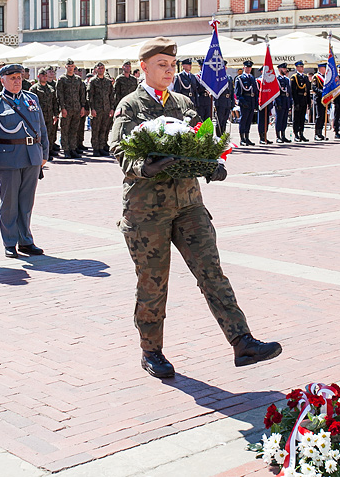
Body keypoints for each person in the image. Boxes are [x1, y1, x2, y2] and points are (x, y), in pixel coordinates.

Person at [108, 36, 281, 379]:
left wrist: (210, 162)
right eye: (162, 65)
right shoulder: (130, 105)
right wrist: (146, 167)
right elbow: (119, 148)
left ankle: (242, 341)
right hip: (147, 211)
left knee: (211, 272)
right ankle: (151, 350)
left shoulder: (183, 101)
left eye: (172, 65)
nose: (169, 71)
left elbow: (196, 139)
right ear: (144, 66)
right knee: (153, 282)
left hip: (188, 204)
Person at [0, 64, 47, 259]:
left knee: (26, 202)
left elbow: (41, 127)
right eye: (12, 78)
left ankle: (25, 240)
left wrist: (44, 153)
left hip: (32, 155)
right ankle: (10, 242)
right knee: (9, 203)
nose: (17, 81)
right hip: (8, 156)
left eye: (19, 77)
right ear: (2, 80)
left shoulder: (32, 99)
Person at [56, 60, 87, 158]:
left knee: (74, 130)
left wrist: (82, 107)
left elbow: (82, 94)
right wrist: (62, 108)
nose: (70, 68)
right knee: (65, 130)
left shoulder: (78, 80)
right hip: (67, 109)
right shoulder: (62, 79)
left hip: (77, 108)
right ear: (65, 67)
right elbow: (59, 95)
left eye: (72, 66)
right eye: (69, 66)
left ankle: (73, 149)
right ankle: (66, 149)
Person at [88, 62, 114, 156]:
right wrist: (92, 109)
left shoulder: (108, 82)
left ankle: (102, 147)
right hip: (97, 110)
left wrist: (111, 108)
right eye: (99, 68)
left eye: (102, 68)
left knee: (104, 129)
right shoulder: (93, 81)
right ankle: (96, 148)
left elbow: (111, 96)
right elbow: (90, 96)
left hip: (106, 109)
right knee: (96, 130)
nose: (101, 70)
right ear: (95, 70)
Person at [234, 60, 258, 146]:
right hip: (245, 102)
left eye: (250, 67)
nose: (248, 69)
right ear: (244, 67)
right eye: (247, 67)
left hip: (251, 102)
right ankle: (242, 138)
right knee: (243, 120)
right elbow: (237, 92)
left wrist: (256, 103)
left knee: (249, 121)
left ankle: (247, 137)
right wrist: (243, 102)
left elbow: (255, 91)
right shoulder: (240, 78)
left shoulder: (252, 78)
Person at [290, 60, 311, 142]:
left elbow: (308, 90)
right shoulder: (294, 77)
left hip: (304, 100)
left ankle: (301, 133)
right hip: (298, 100)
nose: (302, 68)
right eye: (300, 66)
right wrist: (295, 102)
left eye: (302, 66)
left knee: (302, 118)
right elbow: (293, 91)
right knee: (297, 118)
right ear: (297, 68)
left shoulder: (305, 77)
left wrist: (308, 101)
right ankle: (296, 134)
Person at [214, 63, 235, 138]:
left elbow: (231, 91)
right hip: (220, 101)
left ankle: (223, 136)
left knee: (225, 120)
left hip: (227, 101)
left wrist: (232, 101)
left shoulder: (229, 77)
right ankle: (218, 136)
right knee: (220, 120)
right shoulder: (217, 78)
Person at [274, 63, 291, 142]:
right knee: (279, 119)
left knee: (284, 119)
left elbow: (289, 92)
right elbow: (276, 92)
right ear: (279, 69)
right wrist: (278, 103)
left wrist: (290, 103)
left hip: (286, 101)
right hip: (280, 101)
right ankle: (278, 136)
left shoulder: (286, 79)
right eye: (283, 69)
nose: (285, 70)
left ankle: (283, 135)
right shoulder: (277, 79)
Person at [312, 64, 329, 141]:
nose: (325, 69)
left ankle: (321, 132)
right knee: (319, 116)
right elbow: (314, 87)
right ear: (320, 68)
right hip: (319, 98)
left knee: (323, 116)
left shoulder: (326, 77)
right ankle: (316, 133)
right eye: (324, 68)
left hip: (325, 99)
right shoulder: (316, 77)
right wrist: (322, 92)